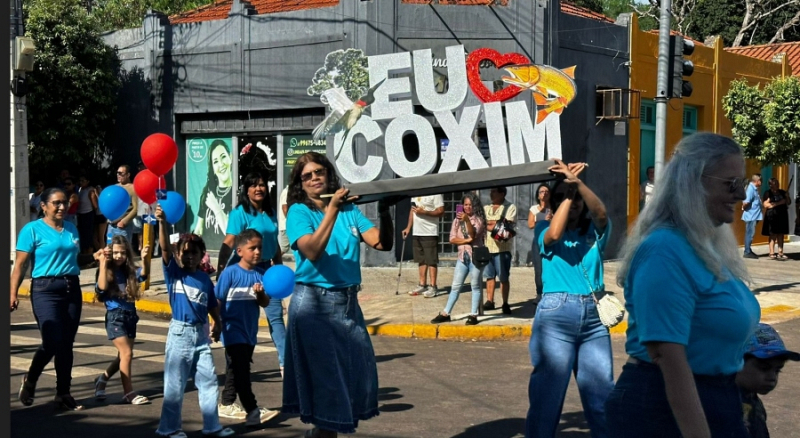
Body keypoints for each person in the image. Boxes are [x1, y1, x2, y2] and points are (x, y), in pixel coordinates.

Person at [605, 133, 761, 437]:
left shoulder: (705, 246)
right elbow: (669, 358)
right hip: (662, 409)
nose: (742, 195)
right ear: (693, 183)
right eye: (731, 184)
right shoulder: (664, 250)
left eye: (741, 183)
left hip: (711, 399)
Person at [283, 151, 394, 438]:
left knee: (359, 372)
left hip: (347, 303)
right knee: (330, 388)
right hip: (314, 304)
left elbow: (381, 243)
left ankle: (319, 433)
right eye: (307, 176)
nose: (314, 178)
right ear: (300, 184)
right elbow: (312, 250)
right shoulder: (299, 212)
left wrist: (385, 212)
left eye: (318, 172)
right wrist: (331, 209)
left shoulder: (349, 210)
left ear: (328, 174)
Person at [525, 160, 613, 438]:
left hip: (594, 319)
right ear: (554, 203)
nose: (572, 202)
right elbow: (554, 234)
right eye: (563, 197)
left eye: (575, 198)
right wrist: (569, 192)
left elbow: (601, 213)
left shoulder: (594, 231)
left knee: (602, 399)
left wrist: (577, 184)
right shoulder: (543, 228)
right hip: (556, 315)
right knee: (547, 401)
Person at [154, 204, 234, 438]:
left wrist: (217, 323)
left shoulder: (204, 279)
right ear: (179, 254)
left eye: (194, 253)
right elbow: (164, 248)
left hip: (201, 336)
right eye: (185, 252)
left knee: (209, 381)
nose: (189, 256)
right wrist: (162, 222)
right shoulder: (174, 274)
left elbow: (211, 305)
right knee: (175, 385)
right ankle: (169, 429)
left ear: (201, 255)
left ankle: (212, 425)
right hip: (180, 334)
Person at [11, 187, 84, 410]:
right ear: (43, 206)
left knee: (66, 343)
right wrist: (12, 293)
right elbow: (20, 264)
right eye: (56, 203)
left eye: (65, 202)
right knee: (52, 341)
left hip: (72, 288)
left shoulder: (71, 228)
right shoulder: (32, 229)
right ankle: (31, 379)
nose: (62, 207)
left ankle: (63, 392)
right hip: (45, 289)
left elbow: (74, 258)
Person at [217, 173, 286, 380]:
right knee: (242, 319)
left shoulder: (271, 212)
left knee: (276, 317)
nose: (259, 189)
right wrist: (221, 269)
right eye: (254, 185)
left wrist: (279, 271)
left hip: (268, 271)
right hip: (244, 270)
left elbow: (273, 244)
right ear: (246, 190)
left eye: (262, 184)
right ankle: (235, 365)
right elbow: (229, 242)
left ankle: (285, 364)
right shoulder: (240, 213)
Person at [215, 229, 281, 426]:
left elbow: (265, 303)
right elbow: (218, 299)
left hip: (249, 332)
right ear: (240, 251)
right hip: (232, 331)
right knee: (242, 371)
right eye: (252, 248)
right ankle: (252, 410)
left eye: (260, 248)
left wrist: (260, 294)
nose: (257, 252)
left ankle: (226, 402)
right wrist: (216, 323)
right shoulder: (230, 273)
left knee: (235, 370)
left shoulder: (261, 275)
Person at [92, 235, 151, 405]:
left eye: (123, 253)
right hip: (115, 316)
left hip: (130, 316)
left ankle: (102, 379)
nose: (119, 256)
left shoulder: (129, 271)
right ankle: (128, 393)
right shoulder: (106, 270)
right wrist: (103, 263)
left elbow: (144, 275)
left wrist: (145, 258)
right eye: (116, 252)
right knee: (127, 353)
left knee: (122, 356)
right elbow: (102, 288)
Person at [430, 192, 487, 326]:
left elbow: (473, 235)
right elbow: (451, 239)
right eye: (465, 204)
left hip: (475, 257)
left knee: (475, 286)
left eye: (470, 205)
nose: (467, 207)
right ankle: (446, 313)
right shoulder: (457, 220)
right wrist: (465, 241)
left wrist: (467, 221)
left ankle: (473, 314)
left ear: (475, 206)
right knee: (455, 286)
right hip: (462, 257)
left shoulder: (478, 220)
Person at [737, 323, 800, 438]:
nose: (772, 377)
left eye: (777, 370)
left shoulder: (751, 399)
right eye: (764, 368)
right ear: (737, 362)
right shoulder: (726, 406)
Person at [401, 194, 445, 297]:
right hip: (417, 231)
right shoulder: (416, 193)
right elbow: (412, 211)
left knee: (431, 260)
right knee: (420, 259)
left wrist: (424, 212)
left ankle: (433, 287)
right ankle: (422, 284)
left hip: (430, 231)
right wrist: (408, 227)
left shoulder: (436, 193)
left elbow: (441, 211)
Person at [483, 186, 517, 314]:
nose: (491, 194)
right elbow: (482, 222)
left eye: (494, 191)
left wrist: (490, 223)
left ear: (502, 193)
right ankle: (489, 301)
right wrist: (495, 223)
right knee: (489, 276)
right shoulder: (486, 208)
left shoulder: (510, 207)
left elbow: (506, 225)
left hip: (502, 248)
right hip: (488, 247)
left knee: (503, 277)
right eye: (490, 191)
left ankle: (505, 303)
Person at [193, 140, 233, 238]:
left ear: (230, 157)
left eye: (223, 157)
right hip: (208, 248)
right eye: (215, 162)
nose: (221, 164)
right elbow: (199, 229)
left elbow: (232, 233)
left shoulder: (237, 193)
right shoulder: (207, 193)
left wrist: (216, 207)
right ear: (213, 168)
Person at [527, 183, 553, 300]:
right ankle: (539, 293)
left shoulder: (554, 209)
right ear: (538, 195)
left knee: (551, 267)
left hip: (552, 240)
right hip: (538, 241)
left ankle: (551, 292)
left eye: (547, 191)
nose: (544, 194)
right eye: (542, 192)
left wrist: (552, 219)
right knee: (539, 269)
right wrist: (543, 221)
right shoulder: (534, 209)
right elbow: (530, 224)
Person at [761, 177, 791, 260]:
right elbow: (765, 205)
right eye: (775, 184)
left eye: (777, 183)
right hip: (772, 216)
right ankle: (771, 252)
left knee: (781, 234)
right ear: (770, 185)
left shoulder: (782, 192)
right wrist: (779, 203)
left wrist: (787, 197)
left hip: (782, 215)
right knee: (773, 234)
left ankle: (780, 252)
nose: (777, 185)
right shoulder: (768, 193)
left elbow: (788, 202)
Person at [108, 165, 139, 240]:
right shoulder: (115, 187)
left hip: (123, 227)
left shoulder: (133, 188)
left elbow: (137, 208)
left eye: (121, 173)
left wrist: (124, 221)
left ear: (128, 175)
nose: (118, 175)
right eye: (117, 173)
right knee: (109, 247)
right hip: (111, 225)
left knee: (124, 247)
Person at [77, 175, 99, 257]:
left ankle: (89, 256)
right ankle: (84, 255)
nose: (81, 182)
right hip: (80, 215)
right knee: (83, 237)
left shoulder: (90, 190)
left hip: (88, 214)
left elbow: (95, 205)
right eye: (80, 181)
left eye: (83, 181)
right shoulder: (80, 190)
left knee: (89, 237)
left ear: (88, 181)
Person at [742, 173, 763, 259]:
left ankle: (748, 250)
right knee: (749, 234)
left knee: (750, 234)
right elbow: (746, 202)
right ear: (757, 181)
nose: (762, 182)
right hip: (751, 216)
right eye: (761, 180)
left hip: (754, 216)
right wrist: (744, 207)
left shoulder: (754, 189)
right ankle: (747, 252)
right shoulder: (750, 189)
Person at [93, 184, 109, 252]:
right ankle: (100, 251)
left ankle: (103, 252)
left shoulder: (103, 194)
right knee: (94, 238)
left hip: (102, 215)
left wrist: (97, 194)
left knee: (101, 237)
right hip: (96, 215)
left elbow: (102, 202)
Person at [278, 185, 290, 255]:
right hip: (286, 226)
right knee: (284, 247)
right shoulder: (286, 192)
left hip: (288, 225)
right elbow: (284, 208)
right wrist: (291, 221)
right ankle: (274, 260)